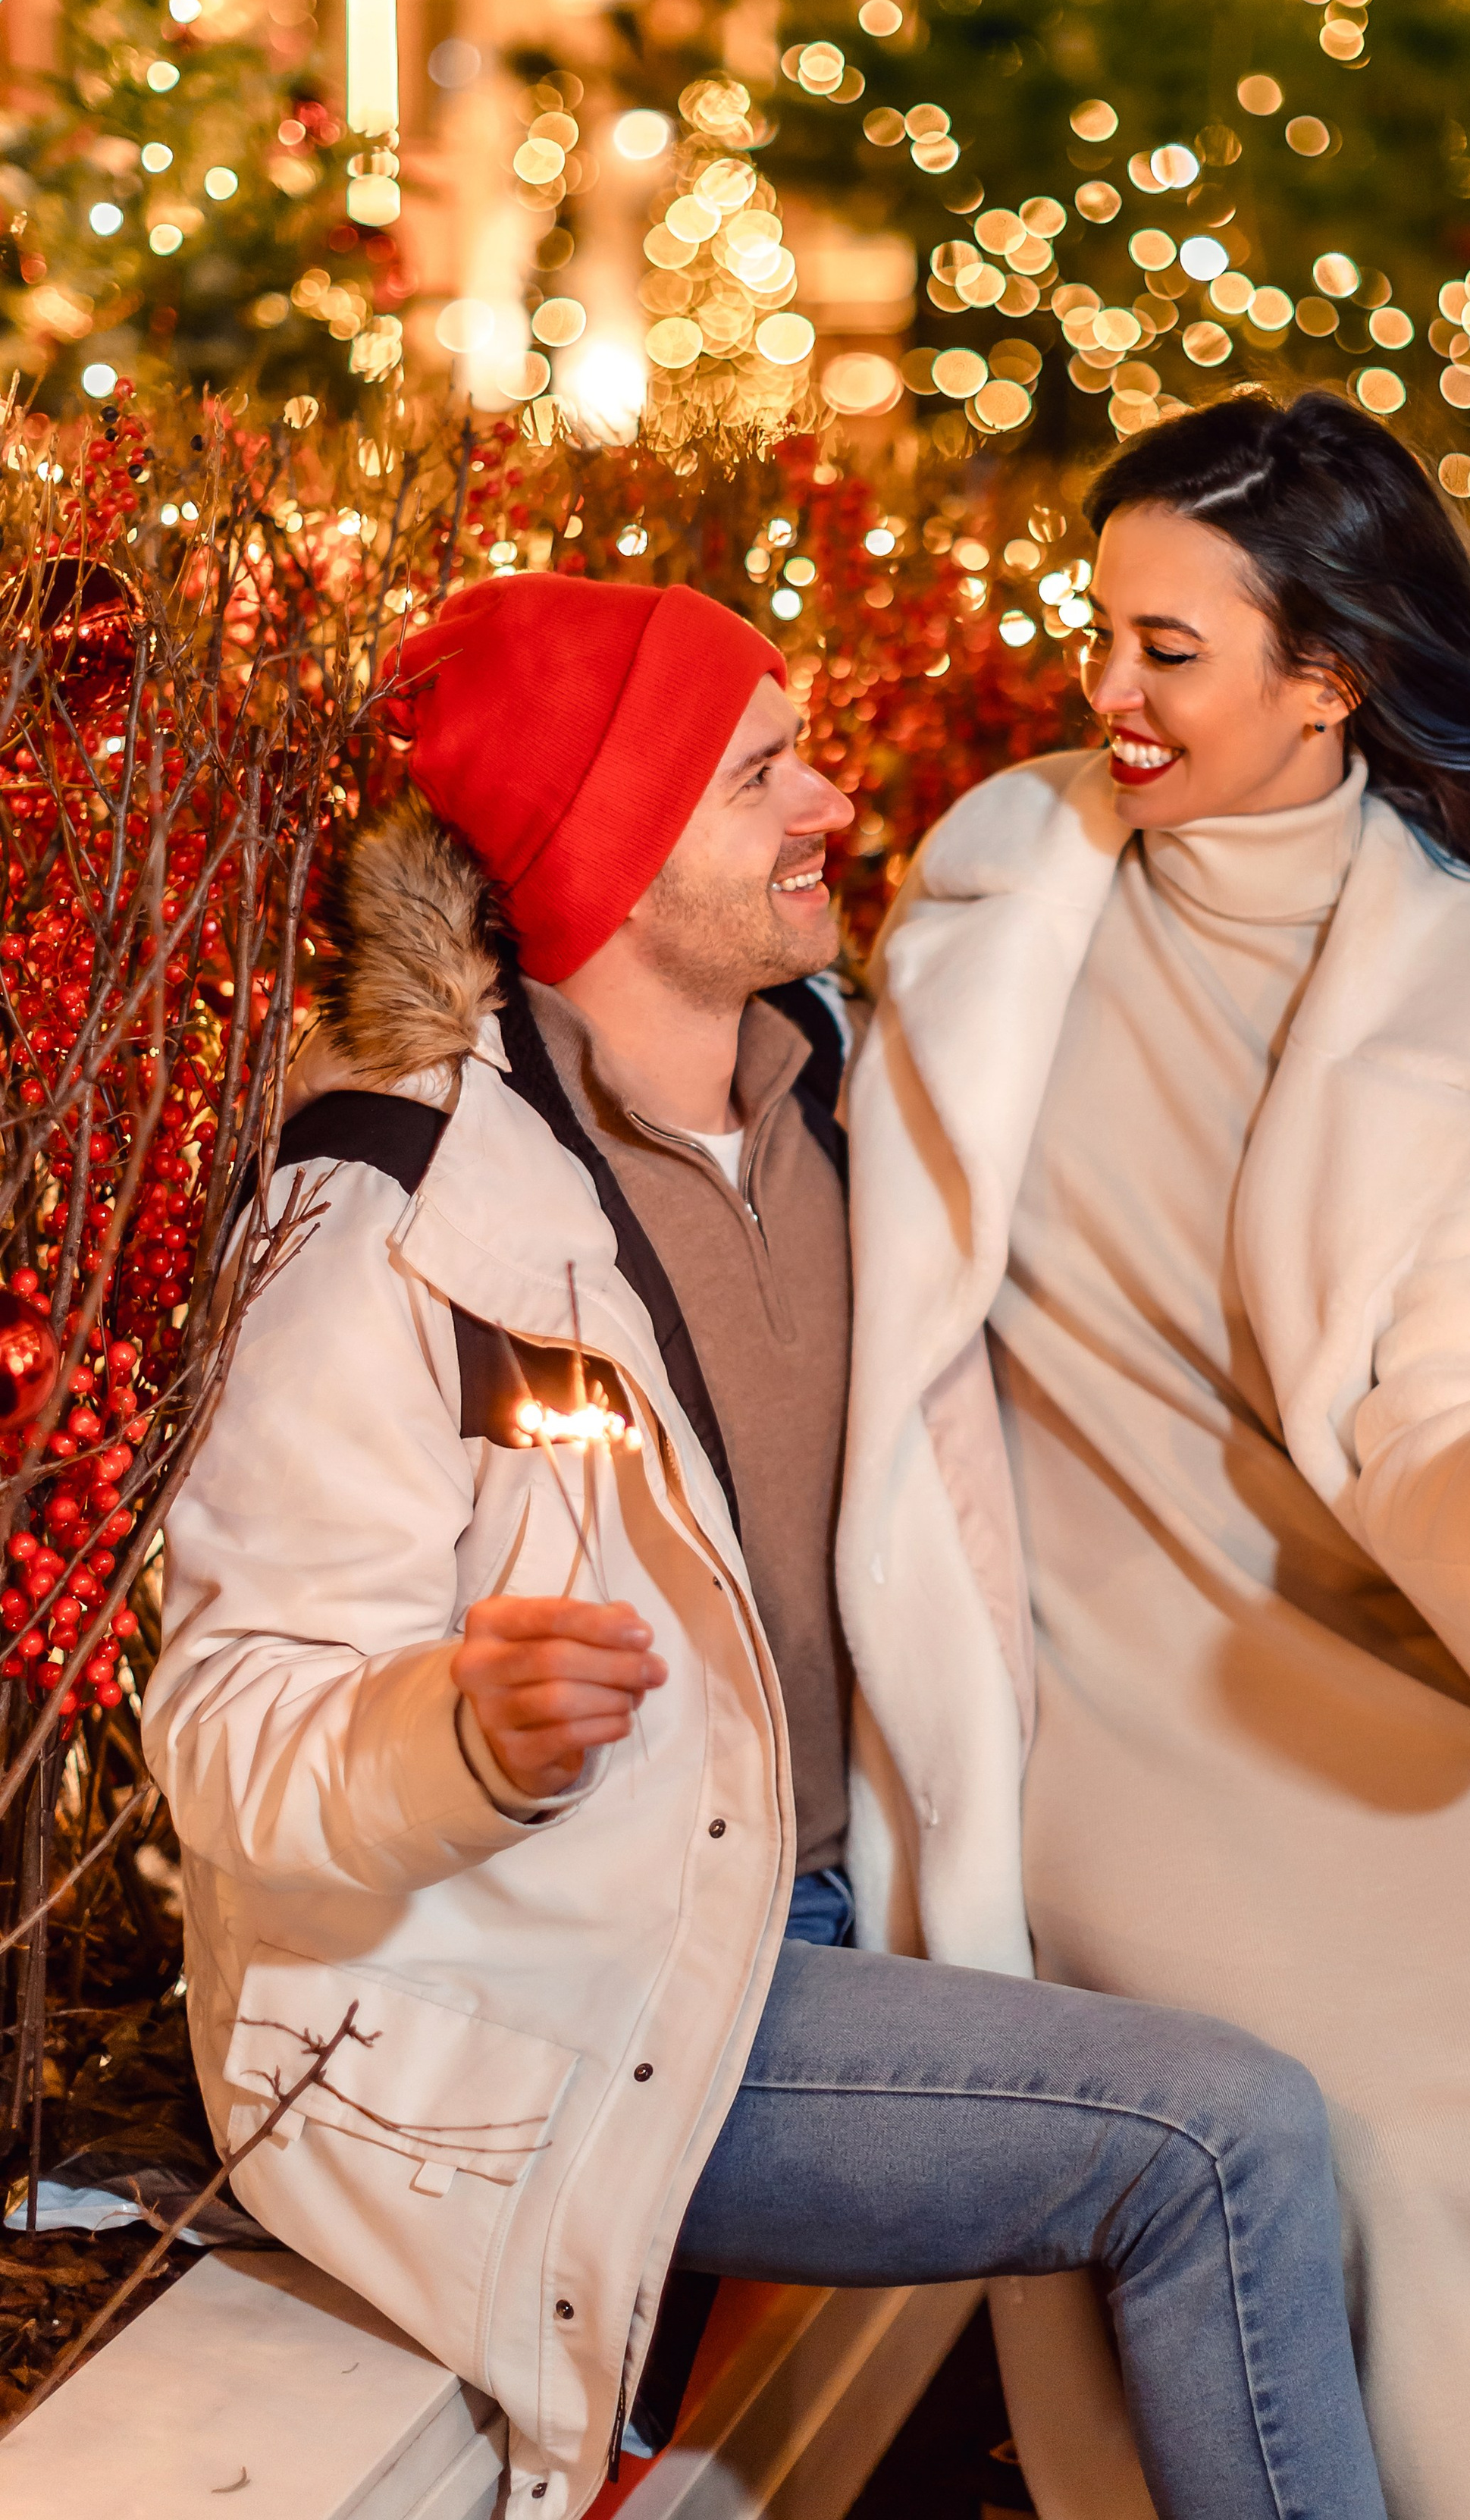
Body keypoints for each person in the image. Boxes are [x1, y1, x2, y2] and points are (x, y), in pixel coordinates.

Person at [145, 573, 1386, 2520]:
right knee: (1221, 2137)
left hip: (836, 1892)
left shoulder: (846, 1090)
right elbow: (228, 1725)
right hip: (579, 1988)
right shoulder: (388, 1201)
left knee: (1345, 2022)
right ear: (612, 848)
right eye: (760, 774)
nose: (831, 802)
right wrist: (456, 1733)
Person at [840, 391, 1470, 2520]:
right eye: (1099, 634)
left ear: (1330, 678)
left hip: (1382, 1674)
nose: (1106, 691)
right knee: (1382, 2152)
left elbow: (1457, 1395)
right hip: (1102, 1707)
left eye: (1169, 651)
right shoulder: (997, 880)